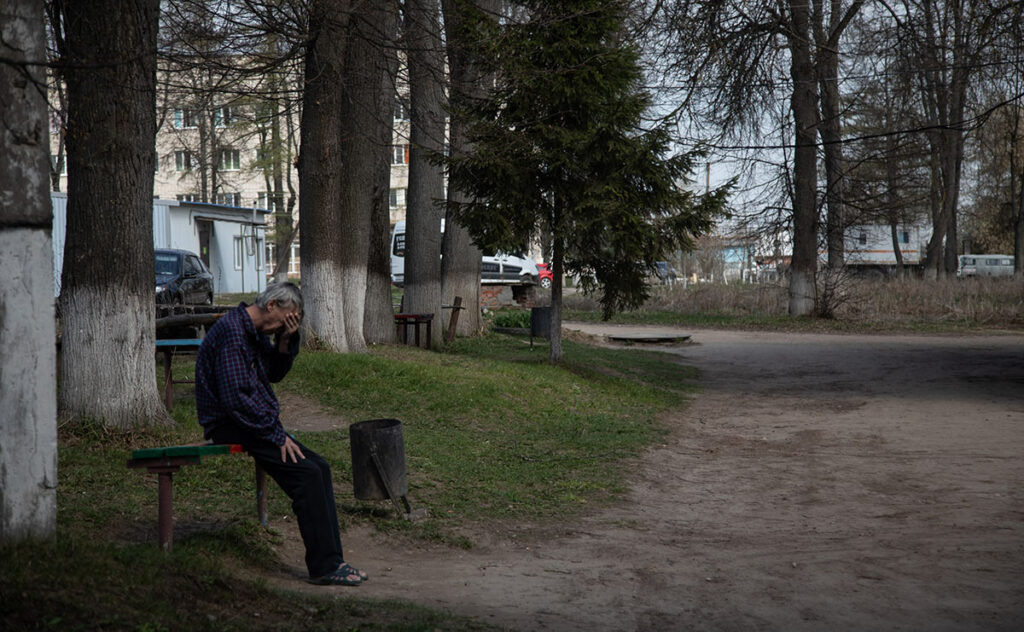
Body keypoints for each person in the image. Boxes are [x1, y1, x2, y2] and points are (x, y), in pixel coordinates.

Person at [194, 282, 367, 586]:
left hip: (250, 421)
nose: (291, 322)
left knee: (320, 468)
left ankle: (333, 561)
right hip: (230, 423)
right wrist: (275, 434)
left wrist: (286, 340)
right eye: (290, 317)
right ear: (272, 305)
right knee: (306, 476)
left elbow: (273, 373)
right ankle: (323, 567)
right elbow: (236, 399)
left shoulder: (255, 331)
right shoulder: (233, 333)